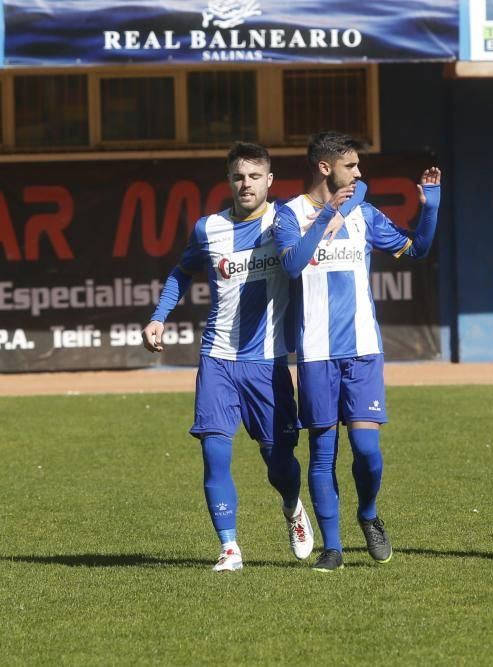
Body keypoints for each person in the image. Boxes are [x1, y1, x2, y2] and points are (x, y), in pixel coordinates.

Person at [142, 142, 315, 572]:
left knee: (279, 464)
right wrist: (159, 317)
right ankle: (230, 548)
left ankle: (293, 506)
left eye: (255, 176)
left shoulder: (285, 222)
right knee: (215, 453)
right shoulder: (208, 229)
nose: (246, 184)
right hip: (217, 357)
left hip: (269, 363)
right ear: (229, 180)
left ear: (270, 181)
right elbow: (182, 271)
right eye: (239, 176)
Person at [274, 130, 441, 572]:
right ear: (325, 168)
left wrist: (432, 205)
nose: (359, 173)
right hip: (315, 353)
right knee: (322, 453)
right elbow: (293, 264)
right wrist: (327, 215)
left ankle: (368, 513)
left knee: (367, 450)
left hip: (363, 350)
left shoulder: (363, 212)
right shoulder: (288, 215)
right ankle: (332, 548)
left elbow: (417, 248)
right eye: (351, 166)